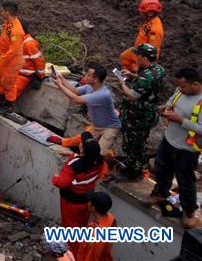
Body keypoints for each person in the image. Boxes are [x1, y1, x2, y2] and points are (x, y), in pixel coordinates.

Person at [150, 66, 202, 228]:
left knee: (185, 180)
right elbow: (171, 101)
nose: (180, 89)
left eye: (183, 86)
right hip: (169, 140)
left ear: (195, 84)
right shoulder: (181, 91)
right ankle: (160, 193)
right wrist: (166, 109)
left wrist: (180, 120)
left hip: (187, 149)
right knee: (161, 168)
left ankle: (189, 211)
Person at [50, 63, 121, 157]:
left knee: (99, 153)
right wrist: (62, 79)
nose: (85, 76)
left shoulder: (102, 94)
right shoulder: (90, 87)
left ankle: (109, 161)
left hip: (110, 127)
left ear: (95, 80)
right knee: (83, 147)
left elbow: (76, 99)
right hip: (97, 126)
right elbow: (75, 91)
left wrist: (60, 85)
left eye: (88, 75)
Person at [113, 44, 162, 180]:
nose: (136, 58)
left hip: (138, 117)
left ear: (144, 58)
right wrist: (133, 76)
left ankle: (133, 172)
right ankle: (131, 165)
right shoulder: (158, 69)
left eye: (138, 56)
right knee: (138, 143)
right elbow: (147, 83)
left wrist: (122, 83)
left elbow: (132, 95)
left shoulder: (146, 75)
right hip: (146, 113)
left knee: (134, 145)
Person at [52, 134, 104, 253]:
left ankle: (72, 254)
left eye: (82, 142)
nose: (80, 142)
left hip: (71, 202)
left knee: (70, 229)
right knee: (80, 226)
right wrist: (74, 156)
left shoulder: (74, 165)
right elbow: (90, 162)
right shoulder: (99, 161)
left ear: (83, 149)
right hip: (87, 201)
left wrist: (54, 178)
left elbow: (62, 183)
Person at [119, 0, 164, 73]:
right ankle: (128, 75)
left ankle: (134, 79)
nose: (140, 13)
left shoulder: (155, 30)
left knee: (137, 70)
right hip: (138, 49)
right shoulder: (150, 21)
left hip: (143, 55)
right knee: (124, 57)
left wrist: (142, 64)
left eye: (141, 12)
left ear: (149, 13)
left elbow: (153, 50)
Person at [0, 0, 25, 112]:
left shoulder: (17, 31)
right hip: (5, 58)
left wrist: (2, 59)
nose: (1, 13)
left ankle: (9, 105)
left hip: (12, 61)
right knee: (1, 79)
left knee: (9, 83)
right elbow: (3, 40)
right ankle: (0, 99)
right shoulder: (8, 24)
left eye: (2, 11)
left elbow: (14, 51)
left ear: (7, 12)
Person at [77, 191, 115, 261]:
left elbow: (92, 258)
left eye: (89, 201)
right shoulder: (110, 218)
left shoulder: (96, 238)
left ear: (93, 207)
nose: (88, 202)